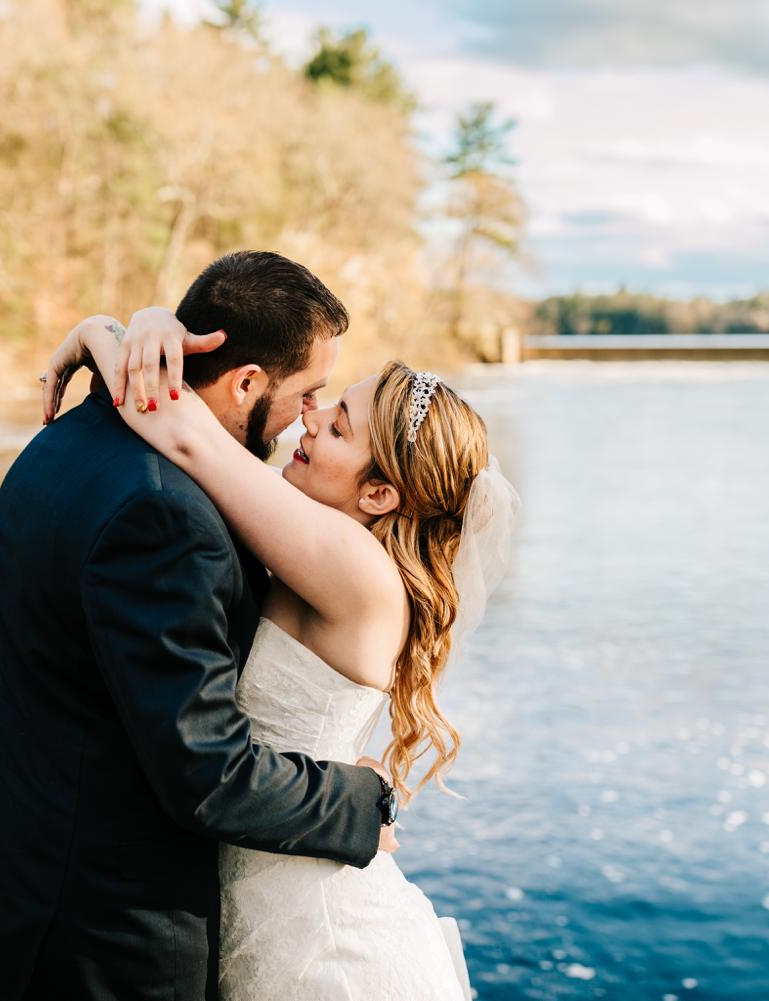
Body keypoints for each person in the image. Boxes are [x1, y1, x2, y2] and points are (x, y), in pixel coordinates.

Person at [0, 251, 400, 1001]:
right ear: (247, 381)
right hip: (104, 943)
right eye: (308, 392)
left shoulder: (66, 442)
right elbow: (207, 773)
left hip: (15, 904)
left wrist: (110, 331)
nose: (304, 420)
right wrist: (356, 803)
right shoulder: (165, 513)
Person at [40, 298, 520, 1000]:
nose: (311, 415)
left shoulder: (353, 566)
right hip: (274, 886)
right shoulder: (317, 538)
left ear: (381, 493)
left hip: (324, 939)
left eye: (340, 423)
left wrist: (99, 333)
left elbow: (185, 436)